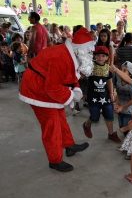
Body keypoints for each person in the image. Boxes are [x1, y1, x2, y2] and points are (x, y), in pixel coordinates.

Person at [19, 27, 95, 172]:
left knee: (60, 117)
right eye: (89, 51)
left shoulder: (73, 54)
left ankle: (69, 146)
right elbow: (52, 88)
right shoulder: (61, 57)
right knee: (51, 125)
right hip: (36, 90)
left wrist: (76, 89)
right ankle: (54, 160)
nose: (91, 54)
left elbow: (71, 75)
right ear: (81, 49)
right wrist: (71, 96)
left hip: (45, 86)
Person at [82, 46, 120, 143]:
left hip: (105, 96)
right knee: (94, 116)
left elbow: (109, 81)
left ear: (107, 57)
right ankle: (86, 125)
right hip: (93, 96)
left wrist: (111, 93)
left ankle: (111, 134)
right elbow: (83, 78)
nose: (100, 58)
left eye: (103, 56)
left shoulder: (108, 68)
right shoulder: (90, 66)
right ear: (94, 56)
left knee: (109, 113)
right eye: (98, 55)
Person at [114, 61, 132, 135]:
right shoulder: (119, 81)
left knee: (128, 131)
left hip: (130, 111)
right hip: (120, 110)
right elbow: (118, 94)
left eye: (124, 70)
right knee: (122, 127)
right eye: (121, 69)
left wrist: (123, 107)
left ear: (130, 73)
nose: (121, 72)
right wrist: (116, 103)